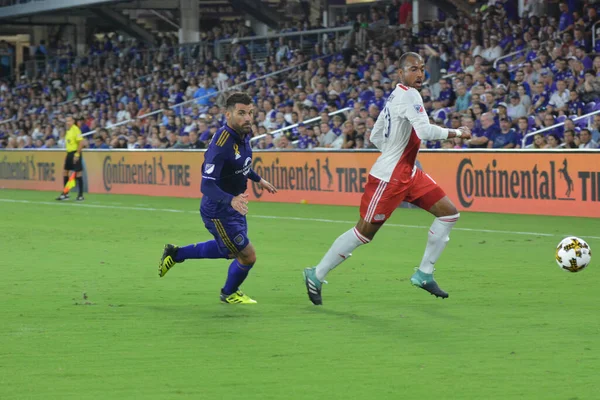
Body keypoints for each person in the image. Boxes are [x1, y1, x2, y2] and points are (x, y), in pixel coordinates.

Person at [302, 52, 472, 305]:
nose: (420, 73)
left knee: (449, 213)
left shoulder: (395, 96)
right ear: (400, 72)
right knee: (364, 233)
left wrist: (394, 152)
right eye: (413, 68)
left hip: (408, 172)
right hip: (389, 178)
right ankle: (316, 274)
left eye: (422, 69)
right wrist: (458, 132)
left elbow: (375, 136)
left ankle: (424, 273)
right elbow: (424, 131)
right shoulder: (409, 95)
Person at [158, 92, 277, 304]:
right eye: (241, 113)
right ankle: (228, 293)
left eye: (250, 113)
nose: (248, 118)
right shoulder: (221, 145)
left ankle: (175, 254)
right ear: (228, 114)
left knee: (232, 251)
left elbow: (240, 166)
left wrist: (258, 179)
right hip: (219, 210)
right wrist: (230, 200)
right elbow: (206, 185)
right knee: (247, 255)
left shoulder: (243, 135)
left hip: (235, 205)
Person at [56, 116, 85, 201]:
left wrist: (77, 154)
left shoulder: (76, 129)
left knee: (78, 173)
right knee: (65, 172)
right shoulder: (68, 131)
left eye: (69, 121)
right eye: (66, 121)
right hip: (69, 153)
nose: (67, 122)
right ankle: (66, 193)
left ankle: (80, 195)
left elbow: (81, 142)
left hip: (75, 152)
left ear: (73, 121)